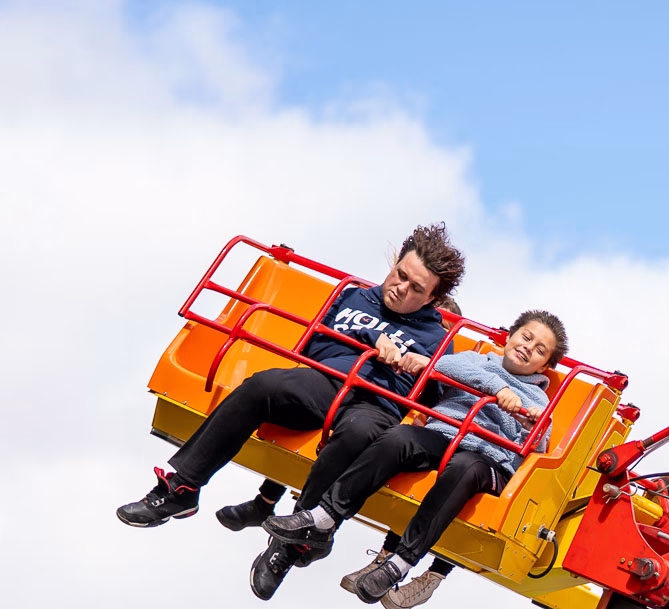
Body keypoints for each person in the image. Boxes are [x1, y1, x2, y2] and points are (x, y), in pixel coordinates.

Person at [115, 224, 466, 570]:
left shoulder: (436, 337)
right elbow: (316, 345)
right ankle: (181, 488)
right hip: (327, 382)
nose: (400, 288)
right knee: (261, 386)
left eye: (415, 287)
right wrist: (367, 338)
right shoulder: (355, 296)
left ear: (432, 298)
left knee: (359, 435)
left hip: (375, 403)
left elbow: (428, 400)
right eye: (399, 274)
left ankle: (294, 540)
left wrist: (418, 367)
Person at [258, 310, 569, 609]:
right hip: (444, 435)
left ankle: (400, 562)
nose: (528, 348)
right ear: (510, 336)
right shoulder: (476, 361)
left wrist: (530, 424)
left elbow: (535, 448)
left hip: (484, 456)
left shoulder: (538, 400)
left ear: (544, 367)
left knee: (463, 469)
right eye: (526, 337)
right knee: (398, 438)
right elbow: (445, 368)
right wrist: (496, 388)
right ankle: (325, 517)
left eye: (539, 350)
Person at [214, 295, 465, 533]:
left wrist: (423, 369)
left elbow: (434, 398)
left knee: (353, 433)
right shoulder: (391, 331)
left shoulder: (438, 353)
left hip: (387, 411)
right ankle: (265, 502)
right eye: (437, 325)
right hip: (346, 390)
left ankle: (286, 516)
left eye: (446, 331)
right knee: (314, 414)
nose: (440, 335)